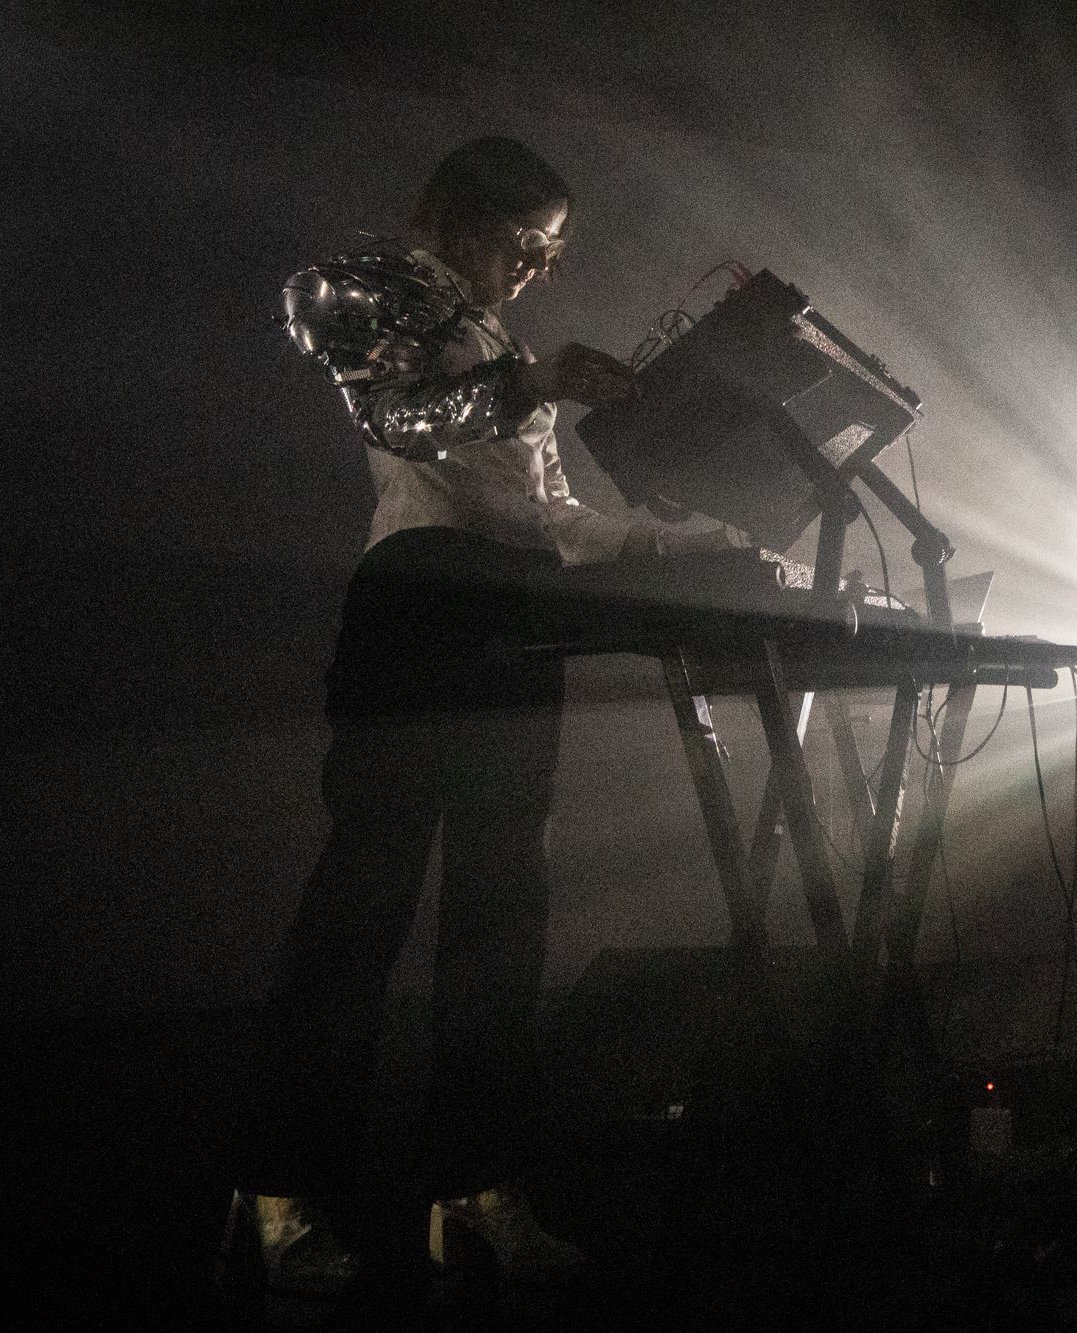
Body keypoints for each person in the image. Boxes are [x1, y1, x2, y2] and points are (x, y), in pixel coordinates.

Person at [221, 136, 712, 1309]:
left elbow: (548, 517)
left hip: (512, 611)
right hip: (418, 600)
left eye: (551, 253)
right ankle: (278, 1196)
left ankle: (474, 1193)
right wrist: (535, 384)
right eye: (525, 243)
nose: (536, 270)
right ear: (457, 214)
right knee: (365, 905)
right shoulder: (364, 279)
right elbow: (399, 419)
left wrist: (674, 538)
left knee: (503, 911)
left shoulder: (503, 343)